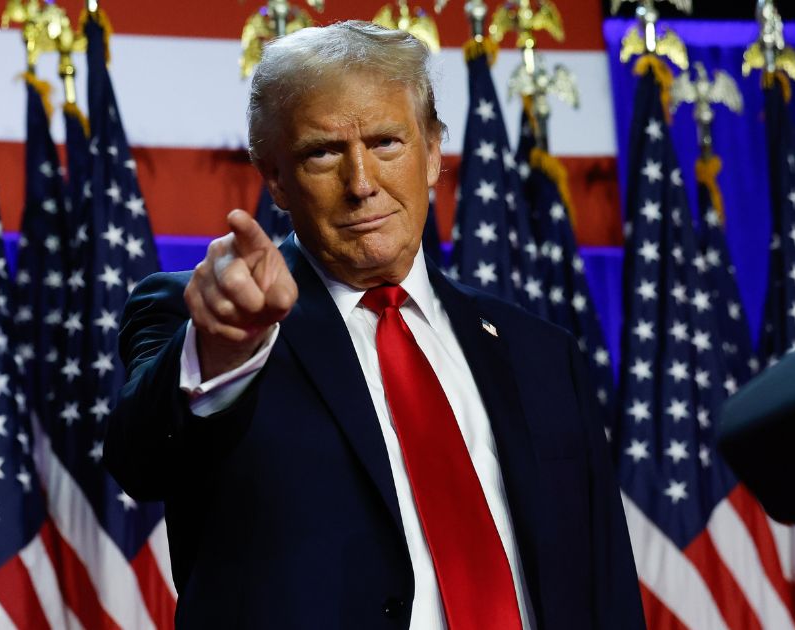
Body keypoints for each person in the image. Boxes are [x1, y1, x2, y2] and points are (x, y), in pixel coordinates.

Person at [107, 20, 644, 629]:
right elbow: (141, 460)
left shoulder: (541, 353)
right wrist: (224, 350)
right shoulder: (206, 321)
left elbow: (604, 584)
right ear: (275, 178)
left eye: (387, 142)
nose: (361, 184)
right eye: (323, 152)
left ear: (435, 151)